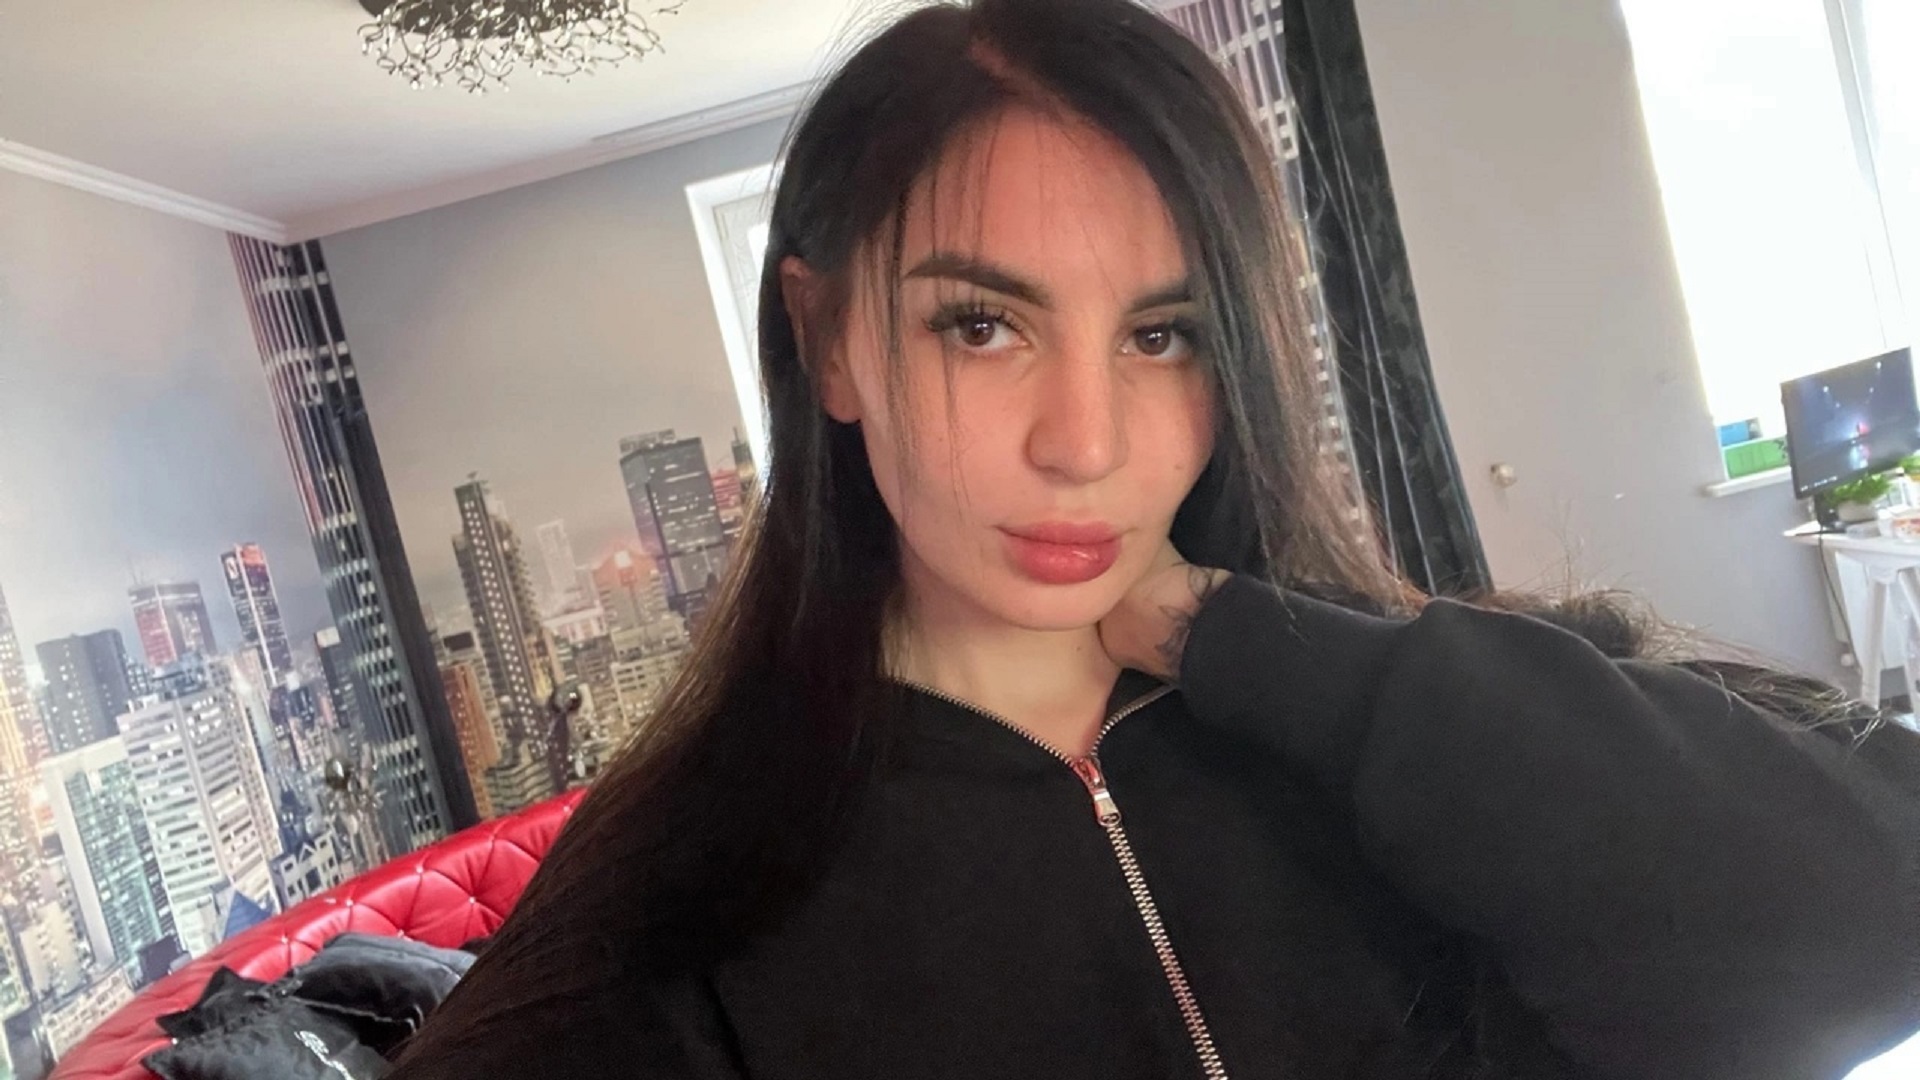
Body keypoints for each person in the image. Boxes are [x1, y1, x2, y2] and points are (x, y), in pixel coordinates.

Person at [389, 1, 1920, 1077]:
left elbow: (1875, 918)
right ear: (829, 337)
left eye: (1163, 333)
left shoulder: (1396, 718)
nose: (1087, 441)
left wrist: (1279, 657)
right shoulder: (691, 885)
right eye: (982, 325)